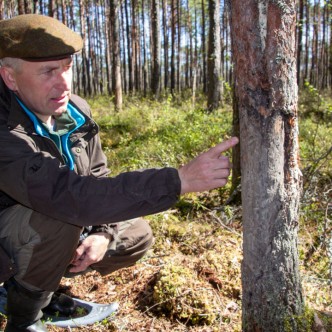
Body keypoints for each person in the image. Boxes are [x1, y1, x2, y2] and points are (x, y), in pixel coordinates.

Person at [0, 14, 238, 332]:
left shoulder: (74, 110)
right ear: (10, 78)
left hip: (47, 220)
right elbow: (63, 196)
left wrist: (103, 233)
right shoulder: (4, 130)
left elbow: (96, 174)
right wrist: (180, 180)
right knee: (59, 219)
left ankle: (40, 282)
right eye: (48, 72)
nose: (64, 83)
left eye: (67, 66)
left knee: (135, 235)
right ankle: (24, 316)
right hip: (14, 234)